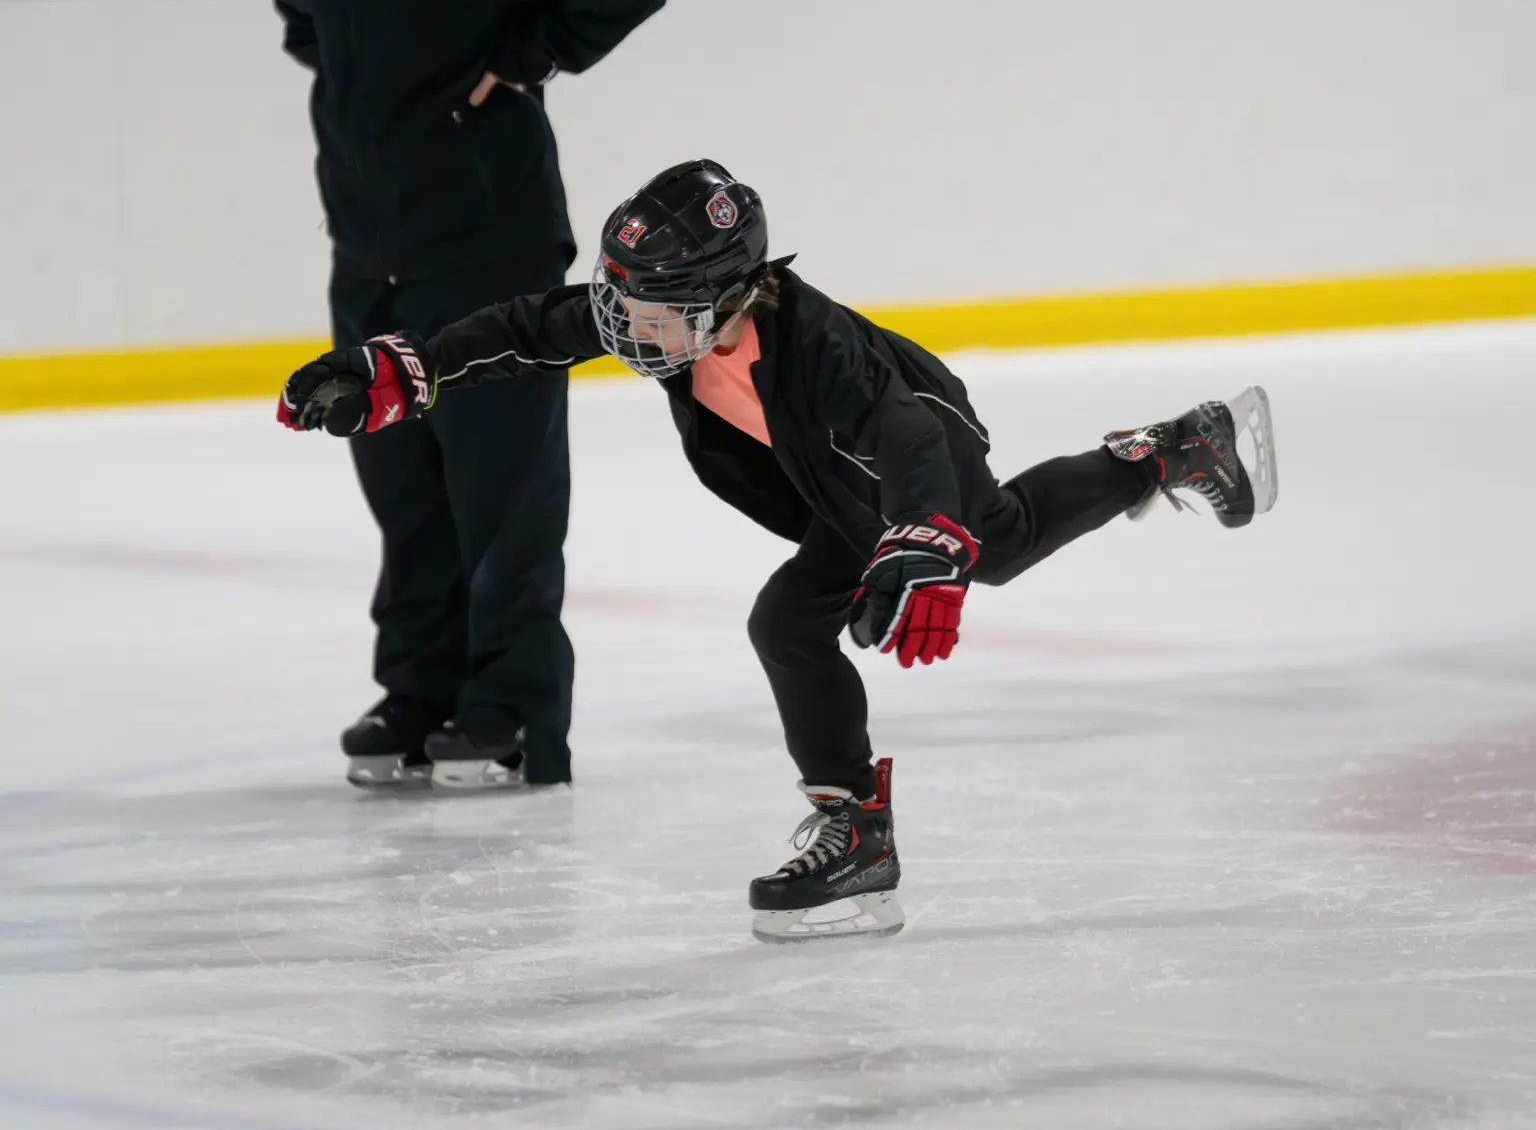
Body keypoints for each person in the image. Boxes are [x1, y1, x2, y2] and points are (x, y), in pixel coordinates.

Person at [276, 160, 1279, 938]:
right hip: (834, 486)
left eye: (648, 310)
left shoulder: (821, 354)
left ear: (726, 296)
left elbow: (907, 437)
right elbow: (532, 326)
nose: (624, 328)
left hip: (915, 450)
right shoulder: (672, 315)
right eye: (620, 301)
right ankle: (1170, 451)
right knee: (825, 611)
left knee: (970, 553)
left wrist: (926, 533)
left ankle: (1166, 455)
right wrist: (406, 369)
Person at [273, 0, 669, 792]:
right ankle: (420, 691)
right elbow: (302, 18)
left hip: (492, 254)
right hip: (371, 257)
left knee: (502, 492)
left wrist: (531, 53)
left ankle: (512, 710)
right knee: (403, 487)